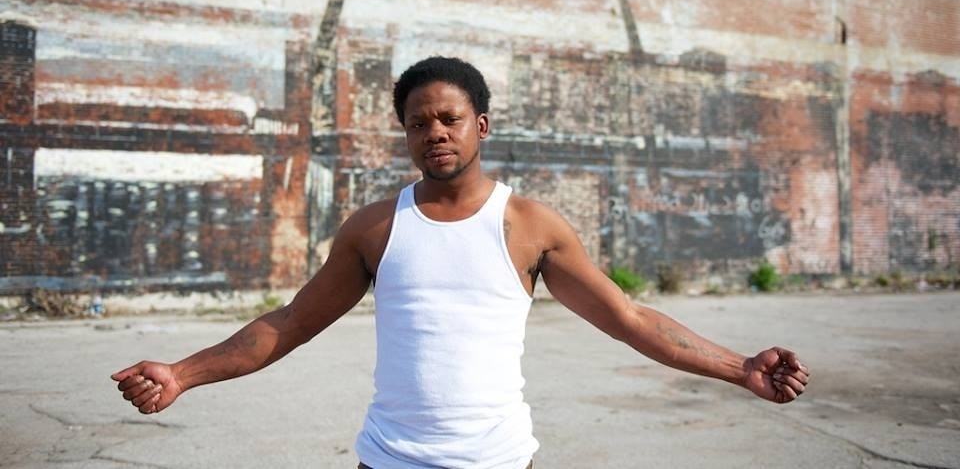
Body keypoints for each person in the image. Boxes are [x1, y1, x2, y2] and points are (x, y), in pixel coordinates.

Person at [113, 56, 810, 469]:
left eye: (449, 118)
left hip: (499, 463)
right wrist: (182, 373)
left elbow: (627, 318)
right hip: (390, 462)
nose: (435, 132)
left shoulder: (530, 225)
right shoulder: (376, 227)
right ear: (407, 135)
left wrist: (738, 367)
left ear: (482, 123)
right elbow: (291, 323)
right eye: (419, 123)